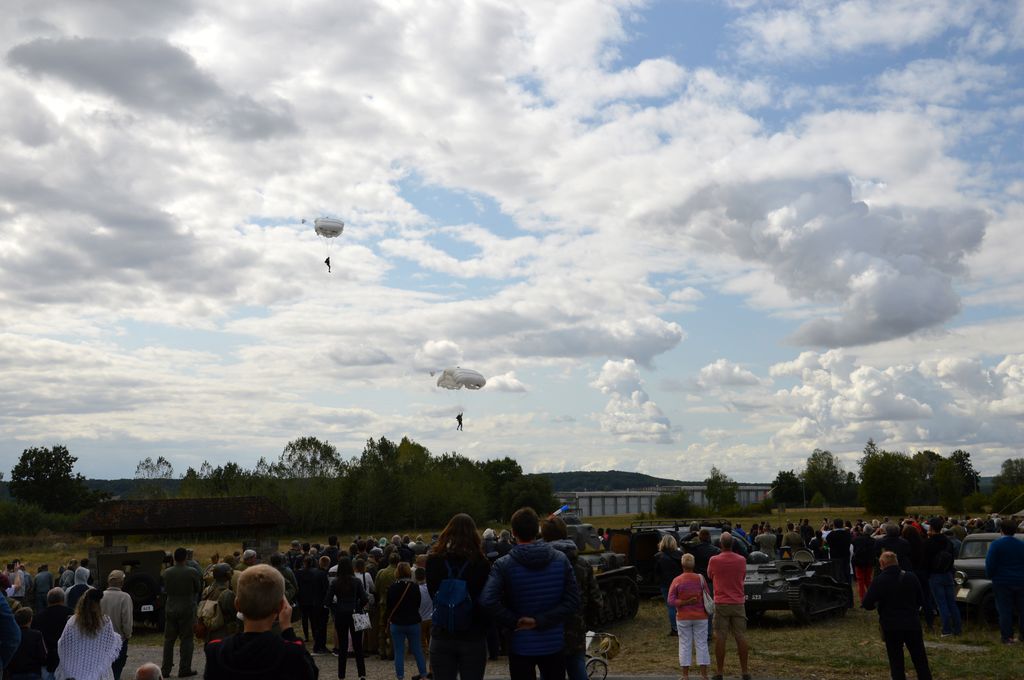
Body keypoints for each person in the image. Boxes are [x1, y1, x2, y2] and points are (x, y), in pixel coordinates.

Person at [480, 506, 579, 680]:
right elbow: (572, 601)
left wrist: (513, 621)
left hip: (520, 642)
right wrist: (539, 621)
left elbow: (488, 600)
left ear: (513, 533)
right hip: (553, 641)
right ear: (537, 530)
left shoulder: (504, 564)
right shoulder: (561, 559)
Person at [204, 564, 317, 679]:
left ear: (237, 605)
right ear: (280, 607)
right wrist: (287, 629)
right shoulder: (292, 653)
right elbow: (311, 674)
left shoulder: (216, 651)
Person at [425, 512, 492, 680]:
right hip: (473, 632)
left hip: (442, 630)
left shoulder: (433, 560)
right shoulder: (482, 563)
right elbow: (486, 599)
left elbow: (433, 593)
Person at [541, 517, 603, 680]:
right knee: (577, 667)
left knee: (549, 671)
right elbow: (595, 599)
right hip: (575, 627)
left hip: (547, 629)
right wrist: (588, 623)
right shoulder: (582, 564)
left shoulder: (540, 563)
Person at [862, 551, 932, 680]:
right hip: (912, 623)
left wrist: (877, 605)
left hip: (891, 625)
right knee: (920, 659)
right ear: (897, 562)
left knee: (896, 661)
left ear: (882, 564)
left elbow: (866, 604)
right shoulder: (911, 577)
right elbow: (921, 599)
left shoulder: (879, 580)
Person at [706, 532, 749, 680]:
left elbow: (710, 576)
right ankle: (745, 672)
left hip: (721, 602)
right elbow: (743, 577)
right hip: (738, 602)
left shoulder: (714, 560)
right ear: (733, 544)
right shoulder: (742, 560)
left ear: (720, 544)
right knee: (740, 636)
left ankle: (719, 672)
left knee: (720, 637)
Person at [55, 588, 123, 680]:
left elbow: (63, 644)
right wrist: (115, 636)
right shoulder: (105, 621)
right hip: (99, 672)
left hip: (76, 669)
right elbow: (110, 643)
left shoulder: (73, 621)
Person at [325, 556, 369, 680]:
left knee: (343, 646)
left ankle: (341, 675)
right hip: (355, 613)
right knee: (358, 646)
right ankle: (361, 674)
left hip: (341, 614)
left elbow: (327, 600)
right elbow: (364, 598)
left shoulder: (335, 582)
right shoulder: (356, 581)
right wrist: (358, 607)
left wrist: (336, 609)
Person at [161, 546, 203, 678]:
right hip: (187, 607)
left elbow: (165, 589)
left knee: (169, 640)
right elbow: (198, 588)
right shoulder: (192, 572)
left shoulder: (167, 572)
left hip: (171, 607)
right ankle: (184, 668)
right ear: (185, 557)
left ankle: (165, 669)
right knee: (187, 639)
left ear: (174, 558)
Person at [667, 553, 710, 680]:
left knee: (685, 644)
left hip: (683, 617)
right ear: (693, 565)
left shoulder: (677, 580)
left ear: (682, 565)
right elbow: (707, 594)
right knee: (702, 644)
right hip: (700, 616)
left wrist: (684, 602)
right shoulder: (700, 578)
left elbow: (670, 601)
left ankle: (685, 675)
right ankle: (704, 675)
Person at [985, 516, 1024, 644]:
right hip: (1020, 580)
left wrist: (990, 575)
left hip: (1002, 581)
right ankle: (1022, 636)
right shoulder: (1021, 544)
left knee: (1004, 610)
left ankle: (1007, 637)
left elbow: (990, 563)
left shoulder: (996, 544)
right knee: (1022, 609)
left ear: (1001, 530)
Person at [387, 562, 428, 680]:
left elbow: (389, 606)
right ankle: (423, 674)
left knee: (399, 651)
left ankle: (400, 676)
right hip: (413, 621)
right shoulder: (414, 587)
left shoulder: (392, 587)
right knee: (417, 650)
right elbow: (418, 603)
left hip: (397, 622)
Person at [924, 518, 961, 637]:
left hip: (935, 575)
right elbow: (952, 558)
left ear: (931, 528)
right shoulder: (948, 542)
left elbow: (925, 561)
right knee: (952, 603)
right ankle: (957, 628)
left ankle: (946, 630)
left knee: (941, 604)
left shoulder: (928, 543)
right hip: (948, 574)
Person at [32, 587, 72, 680]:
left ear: (48, 600)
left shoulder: (38, 617)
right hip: (68, 660)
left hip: (47, 661)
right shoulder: (72, 615)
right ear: (63, 599)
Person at [101, 570, 133, 680]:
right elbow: (127, 620)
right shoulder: (125, 597)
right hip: (119, 640)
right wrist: (128, 635)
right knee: (116, 670)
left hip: (102, 639)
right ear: (122, 582)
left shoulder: (101, 596)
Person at [296, 554, 330, 653]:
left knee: (306, 618)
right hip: (315, 600)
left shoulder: (299, 573)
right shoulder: (318, 573)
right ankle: (318, 641)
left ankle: (308, 636)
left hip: (304, 599)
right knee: (317, 622)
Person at [654, 534, 683, 636]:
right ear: (674, 543)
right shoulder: (680, 555)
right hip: (679, 583)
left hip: (665, 584)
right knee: (681, 605)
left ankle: (675, 628)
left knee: (671, 606)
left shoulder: (658, 556)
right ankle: (683, 626)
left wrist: (658, 581)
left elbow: (656, 572)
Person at [200, 564, 238, 643]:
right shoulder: (227, 594)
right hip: (223, 634)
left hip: (209, 634)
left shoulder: (207, 590)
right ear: (228, 575)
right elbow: (233, 615)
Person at [8, 606, 47, 680]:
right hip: (33, 672)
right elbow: (43, 656)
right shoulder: (36, 635)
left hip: (15, 673)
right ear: (30, 619)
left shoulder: (13, 635)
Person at [374, 552, 400, 660]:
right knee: (395, 627)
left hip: (383, 603)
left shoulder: (381, 572)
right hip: (397, 604)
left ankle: (382, 651)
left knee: (382, 627)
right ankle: (392, 652)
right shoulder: (399, 573)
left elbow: (376, 589)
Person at [825, 518, 853, 608]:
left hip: (835, 559)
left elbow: (827, 545)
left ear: (834, 525)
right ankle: (849, 601)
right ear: (842, 524)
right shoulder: (847, 534)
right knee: (847, 579)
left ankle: (837, 601)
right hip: (845, 558)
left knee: (836, 579)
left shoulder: (831, 535)